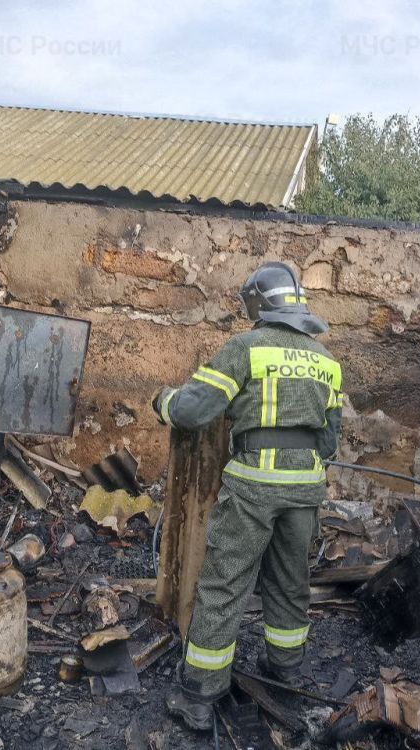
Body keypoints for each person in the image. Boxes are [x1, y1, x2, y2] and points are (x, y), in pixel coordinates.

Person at [151, 261, 343, 730]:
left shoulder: (246, 348)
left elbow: (195, 411)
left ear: (258, 302)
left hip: (254, 487)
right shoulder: (327, 362)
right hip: (305, 489)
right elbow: (329, 442)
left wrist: (163, 401)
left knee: (226, 583)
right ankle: (285, 670)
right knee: (290, 581)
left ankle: (199, 693)